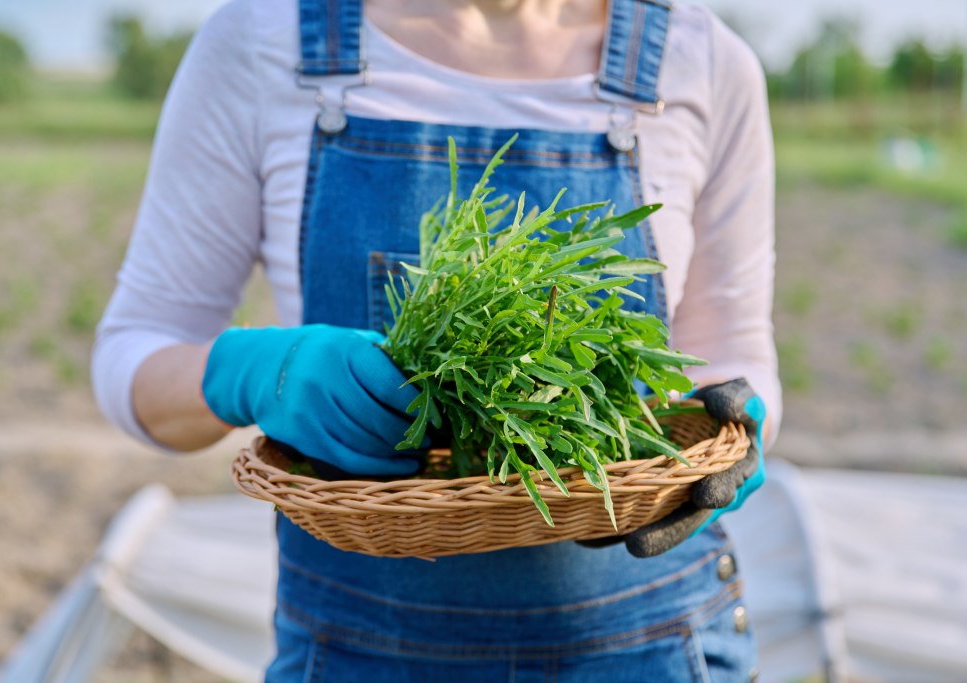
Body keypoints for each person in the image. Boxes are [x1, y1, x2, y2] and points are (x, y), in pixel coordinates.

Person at [92, 0, 780, 680]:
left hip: (651, 645)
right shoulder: (261, 43)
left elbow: (734, 351)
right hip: (359, 651)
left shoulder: (703, 61)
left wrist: (736, 430)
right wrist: (250, 370)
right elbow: (135, 355)